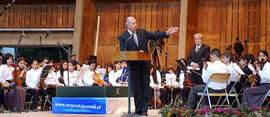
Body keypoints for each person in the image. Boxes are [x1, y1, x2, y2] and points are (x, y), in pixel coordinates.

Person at [118, 16, 178, 116]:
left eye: (135, 23)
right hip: (133, 67)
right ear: (127, 25)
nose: (135, 25)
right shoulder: (123, 37)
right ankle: (138, 110)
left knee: (145, 88)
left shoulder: (142, 32)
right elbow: (123, 53)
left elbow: (154, 36)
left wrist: (166, 33)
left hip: (145, 65)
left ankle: (144, 110)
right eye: (132, 23)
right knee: (137, 89)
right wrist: (136, 53)